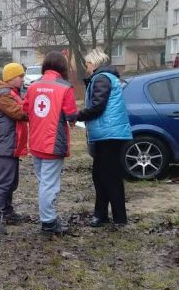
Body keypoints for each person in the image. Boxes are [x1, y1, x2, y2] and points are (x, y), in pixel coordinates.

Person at [68, 48, 132, 227]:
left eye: (87, 64)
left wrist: (76, 115)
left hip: (108, 134)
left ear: (94, 63)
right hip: (109, 133)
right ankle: (102, 214)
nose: (86, 68)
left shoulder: (101, 78)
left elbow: (98, 107)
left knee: (108, 176)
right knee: (102, 175)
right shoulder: (108, 78)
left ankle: (117, 218)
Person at [23, 51, 79, 237]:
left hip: (36, 142)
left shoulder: (33, 86)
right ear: (62, 67)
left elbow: (25, 110)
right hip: (53, 143)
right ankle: (48, 222)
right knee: (49, 185)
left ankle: (48, 217)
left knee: (43, 183)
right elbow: (71, 114)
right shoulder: (65, 88)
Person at [0, 62, 29, 235]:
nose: (22, 79)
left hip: (11, 145)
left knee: (12, 181)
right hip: (4, 145)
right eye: (20, 76)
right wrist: (35, 111)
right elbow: (19, 113)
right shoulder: (4, 95)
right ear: (11, 78)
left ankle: (7, 211)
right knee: (4, 182)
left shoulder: (12, 93)